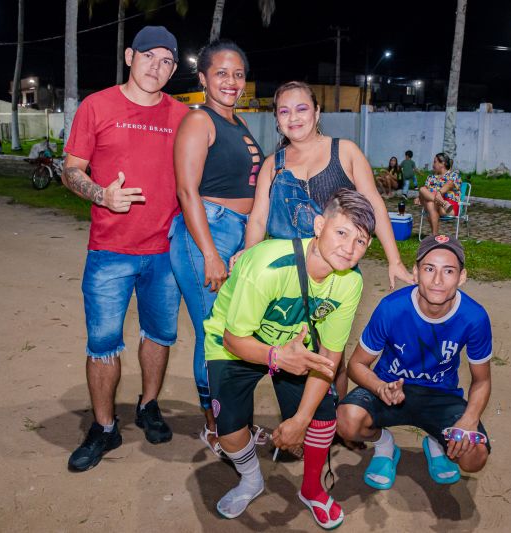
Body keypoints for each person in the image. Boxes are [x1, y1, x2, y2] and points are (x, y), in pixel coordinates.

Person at [206, 189, 375, 529]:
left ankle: (312, 489)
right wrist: (275, 357)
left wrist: (301, 419)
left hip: (294, 346)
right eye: (341, 232)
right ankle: (251, 479)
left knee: (322, 418)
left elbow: (329, 355)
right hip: (235, 342)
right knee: (230, 434)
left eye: (360, 241)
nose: (349, 248)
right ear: (319, 226)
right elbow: (233, 339)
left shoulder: (350, 283)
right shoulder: (268, 267)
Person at [60, 25, 188, 472]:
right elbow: (71, 170)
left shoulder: (183, 116)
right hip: (110, 251)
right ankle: (104, 427)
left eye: (168, 61)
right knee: (102, 344)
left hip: (166, 252)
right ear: (130, 57)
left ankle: (149, 405)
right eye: (150, 56)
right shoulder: (97, 106)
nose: (158, 67)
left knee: (159, 335)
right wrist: (102, 195)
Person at [243, 81, 413, 401]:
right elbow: (258, 219)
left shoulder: (344, 151)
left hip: (337, 273)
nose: (294, 117)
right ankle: (302, 415)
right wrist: (248, 258)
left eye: (302, 108)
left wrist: (394, 260)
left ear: (317, 112)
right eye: (284, 111)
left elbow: (375, 204)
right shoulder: (272, 165)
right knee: (289, 347)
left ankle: (336, 415)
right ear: (276, 118)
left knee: (333, 355)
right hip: (288, 278)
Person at [336, 234, 492, 493]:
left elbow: (482, 380)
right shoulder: (392, 308)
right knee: (346, 421)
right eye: (429, 269)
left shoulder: (474, 317)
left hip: (440, 396)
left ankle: (437, 440)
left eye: (448, 271)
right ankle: (385, 445)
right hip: (391, 388)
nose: (438, 280)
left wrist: (470, 419)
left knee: (474, 457)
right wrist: (380, 387)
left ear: (462, 277)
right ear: (416, 273)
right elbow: (356, 365)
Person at [171, 40, 264, 458]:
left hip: (236, 235)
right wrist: (210, 253)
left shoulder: (237, 122)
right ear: (203, 78)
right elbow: (187, 191)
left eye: (238, 74)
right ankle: (215, 426)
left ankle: (233, 423)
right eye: (222, 73)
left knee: (234, 330)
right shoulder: (199, 120)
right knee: (215, 334)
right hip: (208, 233)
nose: (231, 81)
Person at [416, 152, 461, 235]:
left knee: (430, 203)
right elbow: (424, 191)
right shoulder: (431, 177)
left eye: (435, 162)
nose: (433, 165)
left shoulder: (453, 175)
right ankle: (443, 203)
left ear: (442, 163)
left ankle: (434, 235)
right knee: (423, 190)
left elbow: (450, 184)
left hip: (450, 208)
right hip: (443, 205)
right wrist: (419, 197)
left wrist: (439, 193)